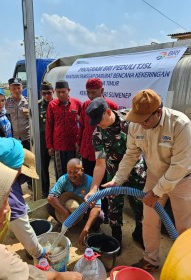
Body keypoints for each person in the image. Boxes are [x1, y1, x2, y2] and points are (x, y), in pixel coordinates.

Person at [104, 89, 191, 271]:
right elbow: (131, 154)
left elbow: (179, 165)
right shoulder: (137, 124)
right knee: (148, 220)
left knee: (184, 226)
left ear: (158, 112)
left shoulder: (180, 124)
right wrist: (118, 179)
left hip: (183, 179)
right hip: (155, 176)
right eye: (138, 119)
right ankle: (151, 260)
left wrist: (156, 192)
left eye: (145, 119)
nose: (141, 124)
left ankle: (186, 268)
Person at [84, 97, 146, 254]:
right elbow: (100, 163)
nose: (98, 124)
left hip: (136, 172)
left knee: (140, 205)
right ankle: (116, 238)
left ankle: (139, 232)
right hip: (114, 176)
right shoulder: (98, 134)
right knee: (114, 207)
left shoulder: (129, 120)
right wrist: (94, 188)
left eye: (99, 120)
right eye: (95, 121)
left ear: (108, 112)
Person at [0, 135, 45, 259]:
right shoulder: (5, 188)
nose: (20, 172)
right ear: (11, 167)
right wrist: (40, 252)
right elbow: (22, 226)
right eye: (19, 168)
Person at [78, 78, 118, 223]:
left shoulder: (111, 106)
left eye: (93, 92)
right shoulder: (85, 106)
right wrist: (79, 144)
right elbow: (82, 127)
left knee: (104, 183)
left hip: (103, 154)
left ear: (102, 90)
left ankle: (105, 212)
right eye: (88, 92)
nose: (90, 95)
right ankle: (90, 210)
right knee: (89, 181)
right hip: (87, 150)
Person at [47, 158, 103, 245]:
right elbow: (51, 197)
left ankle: (91, 227)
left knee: (99, 216)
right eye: (69, 172)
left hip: (84, 210)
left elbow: (97, 207)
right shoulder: (64, 179)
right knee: (50, 207)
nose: (72, 175)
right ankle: (62, 221)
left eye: (75, 172)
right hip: (66, 209)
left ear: (82, 170)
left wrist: (86, 229)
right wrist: (65, 212)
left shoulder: (91, 182)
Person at [45, 80, 82, 179]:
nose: (61, 94)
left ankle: (73, 193)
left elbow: (82, 123)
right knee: (60, 172)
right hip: (58, 145)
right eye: (58, 92)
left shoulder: (77, 103)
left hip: (73, 145)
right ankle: (61, 193)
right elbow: (49, 125)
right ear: (55, 92)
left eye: (63, 92)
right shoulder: (52, 105)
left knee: (74, 171)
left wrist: (80, 142)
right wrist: (49, 146)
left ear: (68, 90)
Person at [38, 81, 54, 198]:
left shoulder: (57, 104)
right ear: (41, 93)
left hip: (56, 137)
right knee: (44, 166)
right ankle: (45, 191)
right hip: (43, 138)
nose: (47, 96)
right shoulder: (37, 105)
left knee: (59, 167)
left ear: (53, 92)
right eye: (44, 93)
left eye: (49, 93)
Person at [5, 77, 31, 150]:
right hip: (13, 139)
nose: (16, 91)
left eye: (18, 88)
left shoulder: (28, 102)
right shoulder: (6, 103)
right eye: (13, 88)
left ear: (22, 88)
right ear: (10, 89)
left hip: (27, 138)